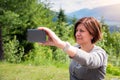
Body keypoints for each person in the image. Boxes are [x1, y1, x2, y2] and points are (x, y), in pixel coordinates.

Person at [38, 17, 108, 80]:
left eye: (81, 31)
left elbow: (90, 61)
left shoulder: (100, 53)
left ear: (92, 34)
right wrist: (55, 43)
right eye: (77, 30)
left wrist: (61, 44)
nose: (77, 33)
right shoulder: (76, 47)